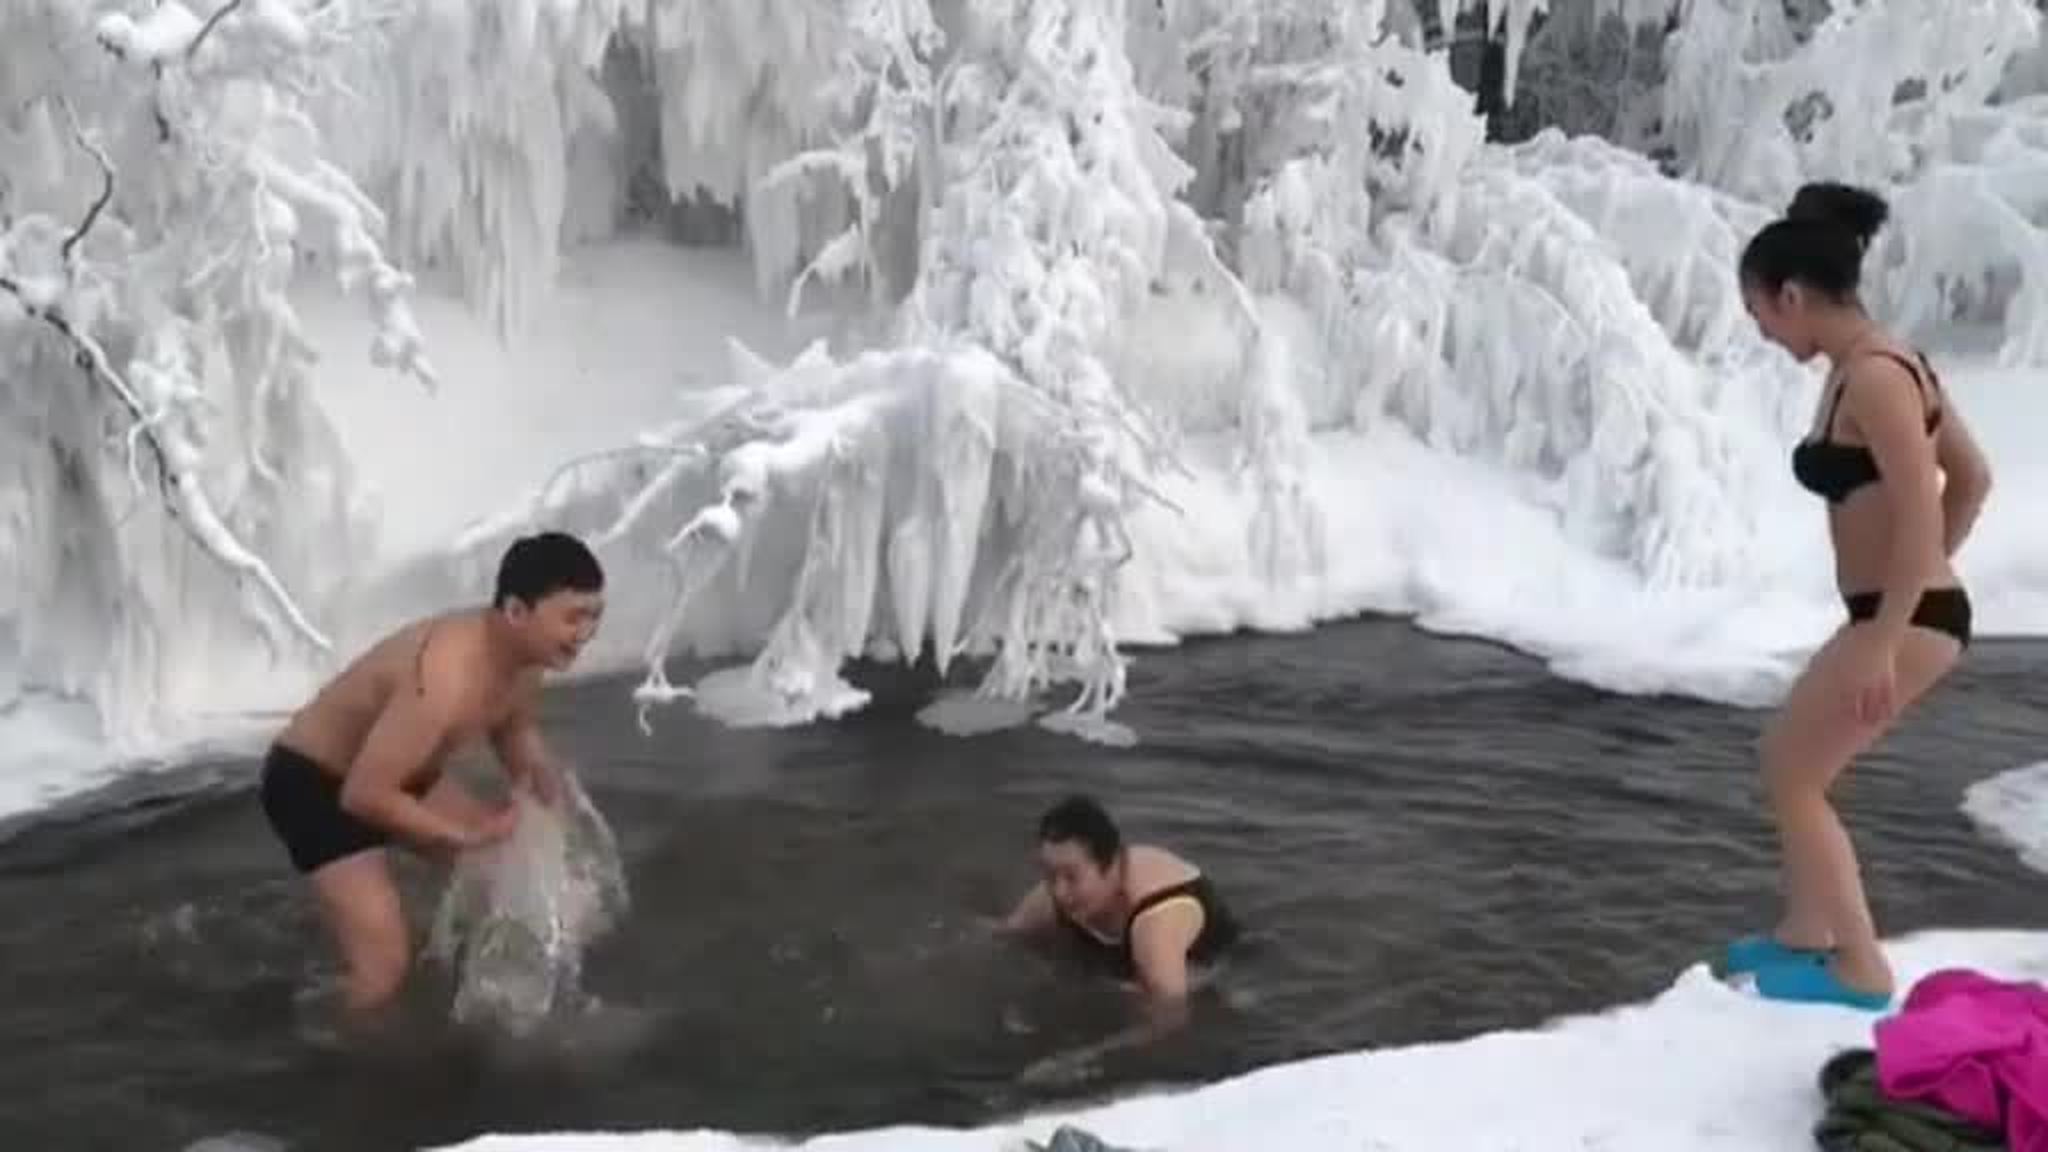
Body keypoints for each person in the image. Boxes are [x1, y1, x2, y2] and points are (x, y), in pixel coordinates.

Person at [1722, 182, 1993, 1010]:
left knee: (1794, 774)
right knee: (1792, 762)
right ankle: (1809, 934)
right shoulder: (1883, 364)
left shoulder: (1875, 378)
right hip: (1902, 612)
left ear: (1792, 294)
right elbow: (1973, 480)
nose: (1764, 331)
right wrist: (1916, 585)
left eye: (1761, 312)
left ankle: (1862, 968)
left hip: (1899, 622)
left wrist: (1891, 623)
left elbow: (1926, 498)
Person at [258, 530, 606, 1014]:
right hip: (317, 784)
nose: (586, 633)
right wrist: (462, 834)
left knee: (507, 875)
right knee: (384, 965)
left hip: (399, 778)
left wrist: (550, 794)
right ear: (515, 611)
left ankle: (490, 997)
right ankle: (339, 1056)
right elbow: (363, 795)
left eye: (594, 616)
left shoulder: (526, 658)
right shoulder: (445, 675)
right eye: (573, 617)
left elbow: (513, 731)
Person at [1000, 794, 1240, 1017]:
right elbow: (1003, 936)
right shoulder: (1058, 893)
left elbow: (1171, 1019)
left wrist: (1086, 1057)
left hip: (1215, 975)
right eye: (1050, 875)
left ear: (1111, 866)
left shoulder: (1156, 923)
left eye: (1072, 877)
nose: (1059, 892)